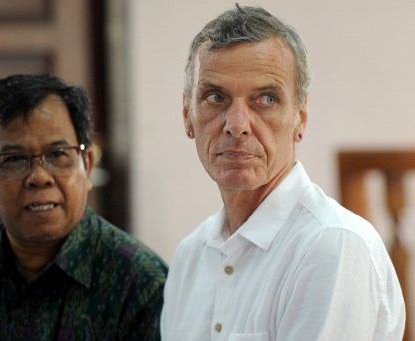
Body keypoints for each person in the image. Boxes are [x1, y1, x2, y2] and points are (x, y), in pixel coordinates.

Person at [161, 5, 405, 340]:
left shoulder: (332, 246)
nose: (237, 125)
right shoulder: (190, 257)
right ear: (188, 116)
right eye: (215, 97)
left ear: (300, 118)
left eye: (266, 99)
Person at [0, 73, 168, 340]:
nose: (39, 177)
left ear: (86, 166)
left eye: (57, 155)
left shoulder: (142, 283)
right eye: (15, 158)